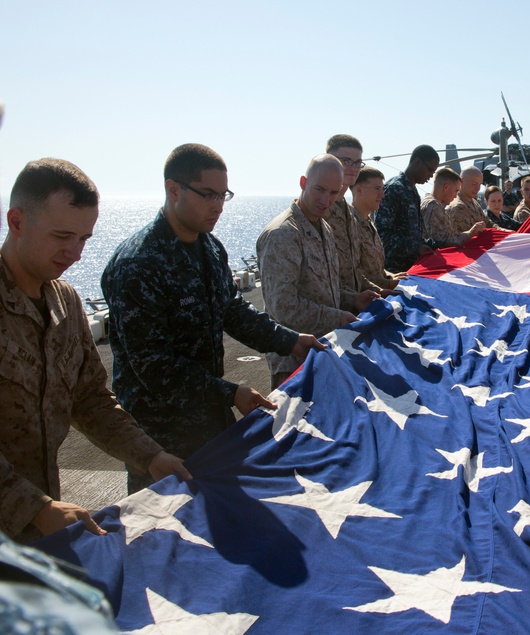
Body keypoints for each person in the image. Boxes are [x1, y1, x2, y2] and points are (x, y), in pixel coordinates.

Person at [101, 144, 324, 493]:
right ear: (173, 189)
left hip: (209, 418)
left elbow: (232, 311)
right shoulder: (139, 264)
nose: (218, 206)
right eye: (208, 195)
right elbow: (154, 367)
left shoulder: (209, 248)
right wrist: (229, 392)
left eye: (223, 195)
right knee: (165, 533)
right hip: (160, 437)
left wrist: (291, 341)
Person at [2, 158, 190, 541]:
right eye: (61, 236)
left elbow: (90, 401)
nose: (75, 253)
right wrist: (33, 506)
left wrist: (151, 456)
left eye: (84, 238)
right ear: (17, 221)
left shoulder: (65, 303)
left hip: (38, 528)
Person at [256, 155, 360, 390]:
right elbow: (282, 307)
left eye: (334, 193)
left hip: (324, 350)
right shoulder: (282, 234)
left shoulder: (324, 228)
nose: (326, 200)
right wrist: (337, 317)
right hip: (294, 360)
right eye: (319, 190)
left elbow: (327, 288)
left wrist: (354, 299)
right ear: (303, 183)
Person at [325, 134, 382, 301]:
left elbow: (355, 270)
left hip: (353, 308)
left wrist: (382, 288)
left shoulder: (350, 214)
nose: (354, 167)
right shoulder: (320, 212)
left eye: (358, 162)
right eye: (346, 160)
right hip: (329, 315)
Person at [375, 145, 438, 273]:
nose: (431, 176)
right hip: (395, 272)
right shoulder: (393, 189)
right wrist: (416, 248)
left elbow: (414, 236)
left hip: (412, 268)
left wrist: (444, 244)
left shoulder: (412, 191)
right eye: (430, 170)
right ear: (417, 162)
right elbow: (383, 237)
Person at [352, 166, 406, 291]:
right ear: (359, 190)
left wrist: (388, 276)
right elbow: (353, 274)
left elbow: (373, 267)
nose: (382, 195)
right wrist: (387, 284)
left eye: (382, 189)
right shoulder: (350, 224)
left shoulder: (369, 222)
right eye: (377, 189)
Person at [422, 168, 484, 247]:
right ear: (446, 187)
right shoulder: (433, 206)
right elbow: (442, 241)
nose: (455, 196)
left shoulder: (431, 203)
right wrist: (470, 233)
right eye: (455, 191)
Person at [446, 167, 490, 233]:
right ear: (461, 182)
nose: (478, 188)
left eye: (480, 184)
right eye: (474, 184)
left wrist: (502, 230)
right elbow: (463, 239)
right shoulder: (457, 207)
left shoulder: (474, 203)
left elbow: (488, 223)